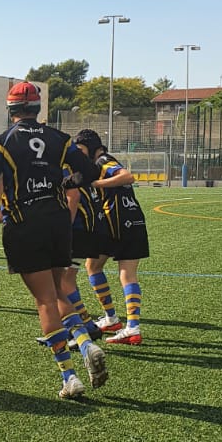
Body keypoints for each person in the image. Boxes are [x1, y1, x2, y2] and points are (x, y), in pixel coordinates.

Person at [0, 83, 104, 399]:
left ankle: (69, 375)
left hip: (24, 224)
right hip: (58, 221)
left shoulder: (2, 144)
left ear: (10, 110)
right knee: (59, 290)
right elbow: (89, 173)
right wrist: (67, 181)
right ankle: (86, 343)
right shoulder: (59, 139)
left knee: (44, 300)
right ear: (38, 109)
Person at [76, 129, 149, 346]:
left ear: (90, 147)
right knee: (101, 268)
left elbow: (127, 176)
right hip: (133, 218)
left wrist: (95, 184)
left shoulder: (103, 160)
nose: (79, 155)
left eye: (81, 150)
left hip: (116, 221)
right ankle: (120, 322)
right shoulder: (101, 161)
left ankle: (124, 324)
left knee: (107, 269)